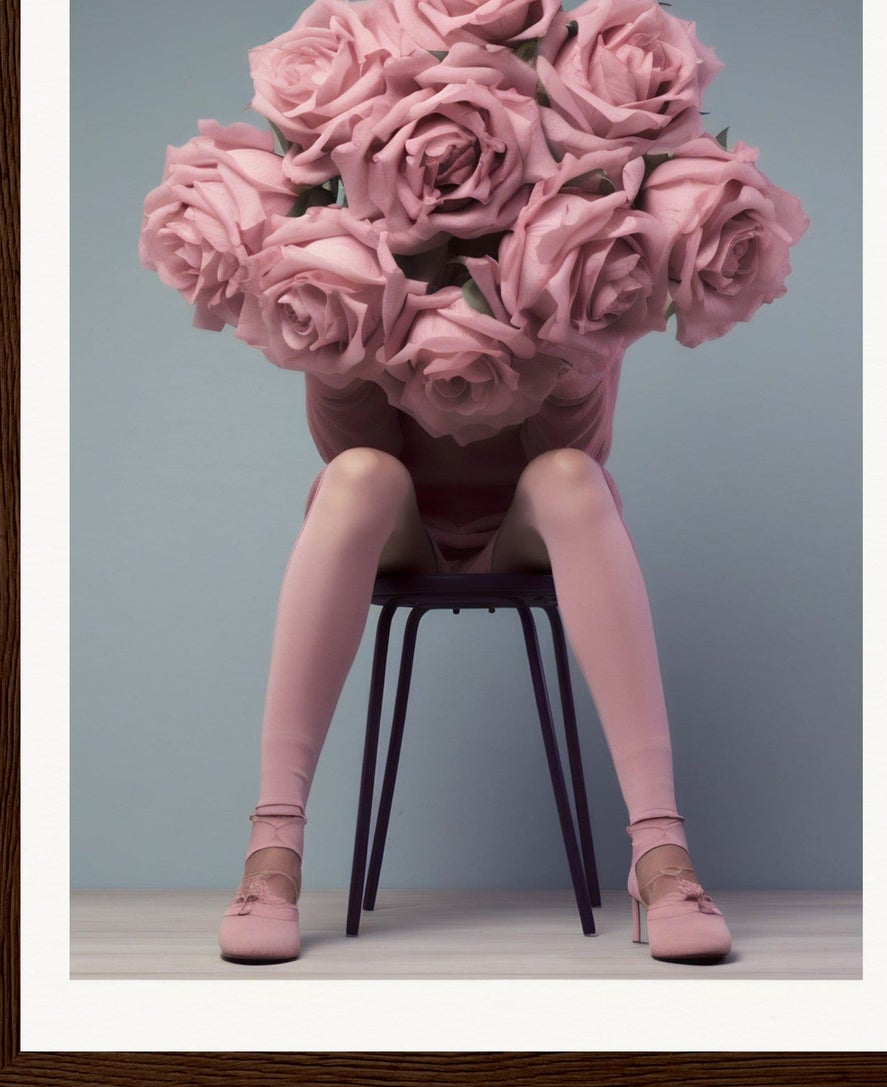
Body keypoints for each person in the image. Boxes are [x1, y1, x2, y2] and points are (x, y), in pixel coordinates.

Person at [216, 350, 731, 966]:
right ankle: (274, 842)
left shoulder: (577, 258)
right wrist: (340, 350)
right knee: (356, 472)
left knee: (570, 473)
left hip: (530, 522)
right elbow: (352, 442)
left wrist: (568, 345)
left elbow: (574, 443)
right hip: (397, 525)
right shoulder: (364, 255)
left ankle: (660, 845)